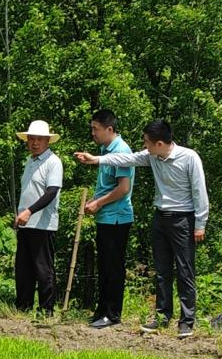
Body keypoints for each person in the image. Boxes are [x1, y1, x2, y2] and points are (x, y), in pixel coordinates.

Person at [75, 119, 208, 339]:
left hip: (183, 219)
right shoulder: (152, 156)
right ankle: (163, 316)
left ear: (159, 143)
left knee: (185, 270)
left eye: (146, 142)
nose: (144, 146)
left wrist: (200, 224)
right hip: (160, 217)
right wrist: (96, 159)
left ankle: (186, 321)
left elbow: (199, 192)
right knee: (162, 271)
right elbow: (126, 158)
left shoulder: (189, 157)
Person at [84, 110, 134, 329]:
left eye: (96, 128)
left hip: (117, 218)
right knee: (104, 265)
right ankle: (101, 310)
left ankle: (112, 314)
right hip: (105, 218)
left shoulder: (121, 151)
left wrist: (98, 203)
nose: (93, 133)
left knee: (113, 267)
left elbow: (123, 188)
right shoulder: (105, 150)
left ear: (109, 130)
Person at [14, 120, 63, 316]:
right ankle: (22, 306)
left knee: (43, 269)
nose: (35, 143)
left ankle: (46, 310)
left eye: (39, 139)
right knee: (23, 268)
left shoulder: (53, 162)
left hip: (43, 224)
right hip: (25, 223)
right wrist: (21, 214)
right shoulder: (30, 161)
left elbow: (51, 192)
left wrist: (29, 211)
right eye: (31, 139)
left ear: (47, 141)